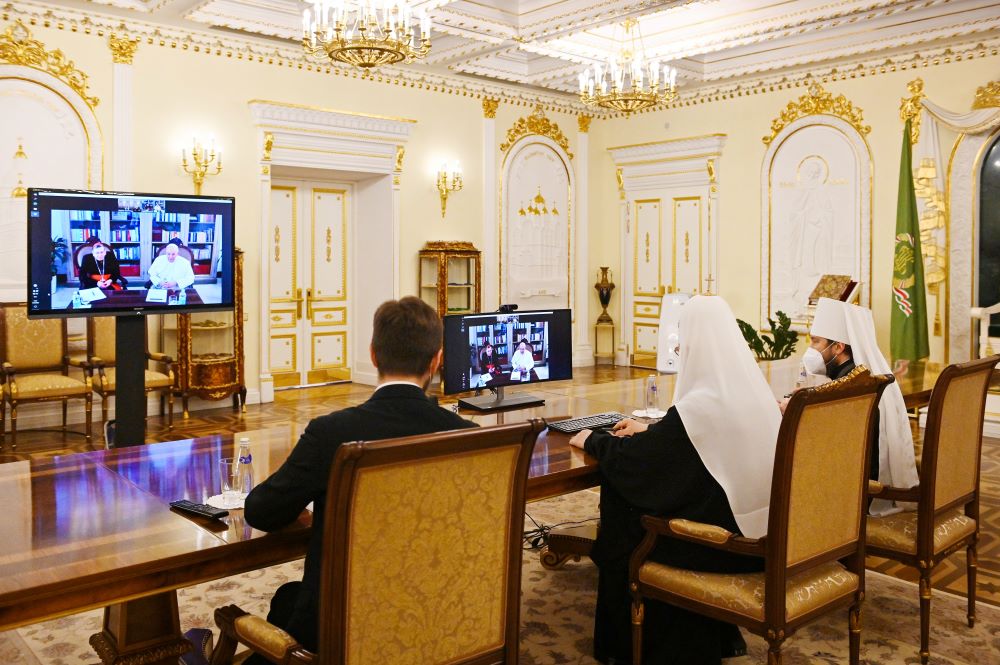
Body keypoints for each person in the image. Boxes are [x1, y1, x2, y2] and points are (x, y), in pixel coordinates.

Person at [243, 297, 477, 660]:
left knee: (288, 602)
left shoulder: (331, 434)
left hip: (343, 622)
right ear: (437, 359)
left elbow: (260, 511)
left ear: (372, 354)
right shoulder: (468, 436)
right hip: (439, 613)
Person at [569, 295, 781, 665]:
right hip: (765, 536)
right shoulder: (752, 395)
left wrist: (593, 439)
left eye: (683, 338)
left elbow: (640, 466)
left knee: (625, 504)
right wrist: (650, 430)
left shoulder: (701, 406)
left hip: (725, 548)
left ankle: (625, 646)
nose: (679, 347)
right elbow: (683, 443)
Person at [802, 297, 920, 514]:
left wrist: (794, 411)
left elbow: (829, 442)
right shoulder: (860, 375)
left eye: (816, 341)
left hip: (855, 494)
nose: (810, 349)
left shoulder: (849, 385)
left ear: (837, 347)